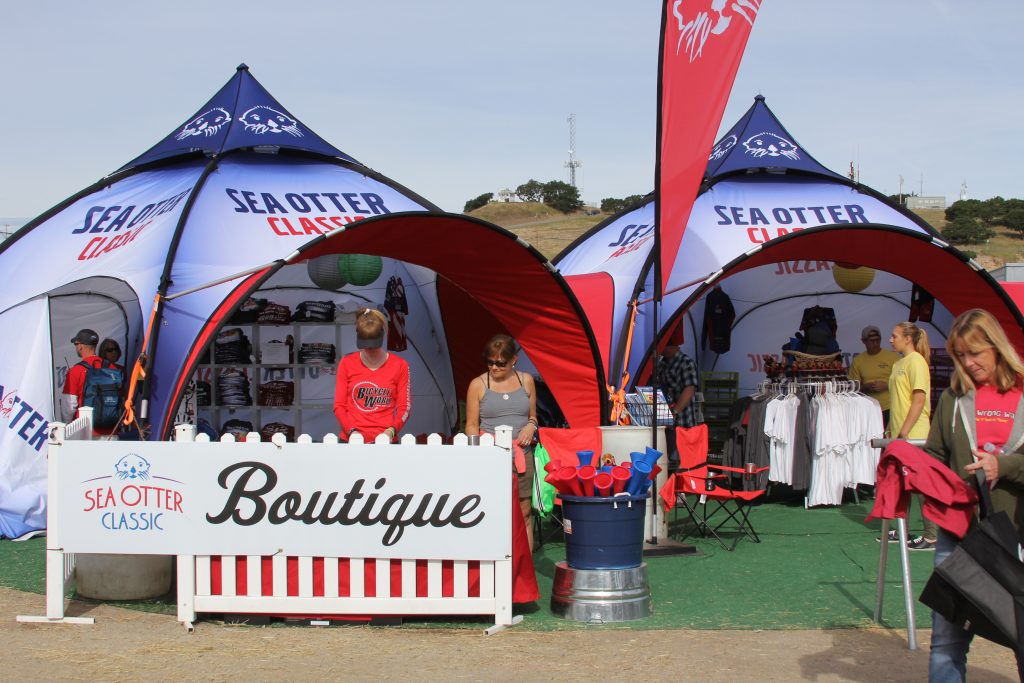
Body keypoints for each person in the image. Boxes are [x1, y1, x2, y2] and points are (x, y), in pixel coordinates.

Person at [922, 308, 1024, 681]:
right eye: (960, 354)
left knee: (1022, 637)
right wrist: (932, 490)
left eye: (975, 353)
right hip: (960, 539)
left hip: (1016, 540)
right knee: (947, 641)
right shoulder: (953, 397)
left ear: (996, 347)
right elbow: (935, 453)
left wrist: (1005, 467)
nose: (968, 362)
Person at [464, 334, 538, 552]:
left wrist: (531, 426)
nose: (494, 367)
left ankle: (524, 569)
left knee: (524, 511)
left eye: (500, 363)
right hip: (491, 456)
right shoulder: (477, 385)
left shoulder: (526, 381)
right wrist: (478, 451)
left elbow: (533, 417)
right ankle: (495, 559)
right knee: (494, 510)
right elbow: (470, 424)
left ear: (513, 360)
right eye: (490, 362)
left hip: (522, 454)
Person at [888, 321, 937, 550]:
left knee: (920, 487)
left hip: (914, 434)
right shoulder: (899, 362)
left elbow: (919, 399)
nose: (891, 339)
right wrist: (891, 429)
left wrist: (905, 431)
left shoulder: (916, 362)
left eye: (894, 335)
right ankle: (902, 530)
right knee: (901, 484)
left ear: (908, 338)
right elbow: (898, 401)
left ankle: (931, 535)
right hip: (900, 434)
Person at [333, 308, 410, 443]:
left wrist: (391, 431)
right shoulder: (346, 363)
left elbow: (404, 407)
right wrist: (352, 431)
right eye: (366, 345)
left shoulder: (400, 365)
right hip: (351, 440)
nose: (370, 350)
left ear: (382, 335)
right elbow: (339, 406)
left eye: (374, 346)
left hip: (386, 440)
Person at [61, 328, 119, 437]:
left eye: (76, 344)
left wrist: (66, 427)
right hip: (112, 430)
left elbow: (69, 406)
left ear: (81, 346)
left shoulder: (75, 370)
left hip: (84, 433)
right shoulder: (113, 368)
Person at [848, 325, 899, 426]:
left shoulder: (893, 357)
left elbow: (902, 381)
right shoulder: (858, 361)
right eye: (871, 341)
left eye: (877, 340)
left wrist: (886, 385)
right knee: (872, 440)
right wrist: (865, 387)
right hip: (868, 408)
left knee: (888, 439)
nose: (875, 343)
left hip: (890, 406)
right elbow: (853, 388)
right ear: (863, 341)